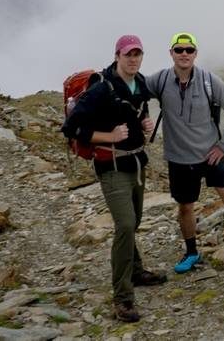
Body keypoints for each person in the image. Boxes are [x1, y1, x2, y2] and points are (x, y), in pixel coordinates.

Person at [61, 35, 166, 322]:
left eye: (137, 54)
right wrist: (108, 136)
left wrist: (143, 123)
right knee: (126, 225)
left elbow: (136, 113)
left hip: (136, 162)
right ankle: (122, 299)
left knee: (135, 221)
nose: (133, 59)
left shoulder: (140, 82)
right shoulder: (101, 89)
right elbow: (70, 128)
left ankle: (136, 271)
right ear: (117, 56)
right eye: (128, 54)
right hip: (111, 167)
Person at [146, 31, 224, 272]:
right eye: (179, 50)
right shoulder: (159, 80)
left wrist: (223, 146)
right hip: (179, 158)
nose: (184, 54)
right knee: (185, 207)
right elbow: (134, 90)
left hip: (211, 155)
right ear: (171, 53)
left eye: (189, 50)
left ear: (195, 54)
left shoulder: (209, 81)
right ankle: (191, 253)